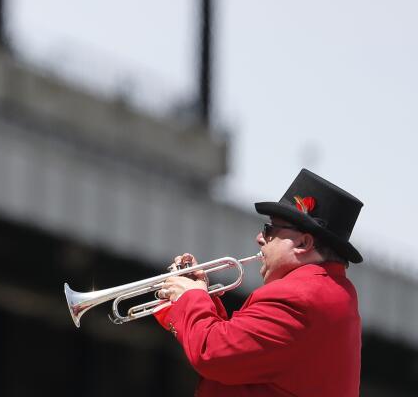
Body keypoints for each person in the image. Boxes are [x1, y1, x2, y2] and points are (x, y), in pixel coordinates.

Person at [155, 168, 363, 396]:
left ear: (303, 243)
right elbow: (245, 356)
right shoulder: (334, 293)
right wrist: (202, 297)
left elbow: (212, 354)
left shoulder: (298, 298)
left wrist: (190, 297)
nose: (260, 238)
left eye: (270, 229)